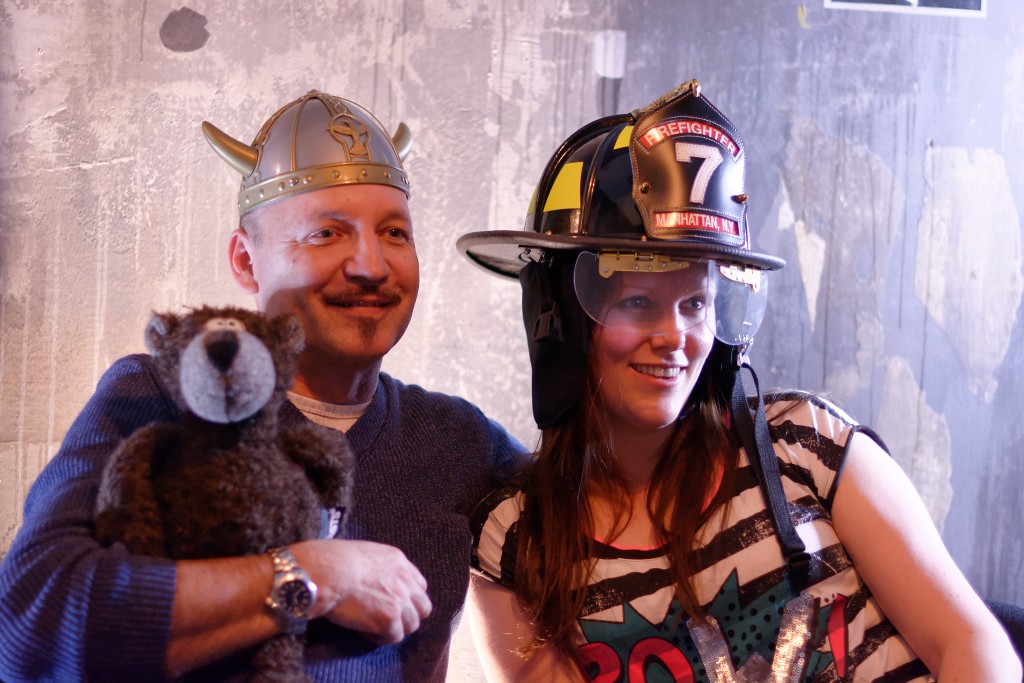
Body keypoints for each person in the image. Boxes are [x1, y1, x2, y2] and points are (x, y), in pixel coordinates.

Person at [456, 79, 1021, 681]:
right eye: (639, 301)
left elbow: (970, 646)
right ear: (560, 317)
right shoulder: (516, 541)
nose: (674, 336)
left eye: (695, 303)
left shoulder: (805, 444)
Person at [0, 90, 527, 681]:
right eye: (327, 233)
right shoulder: (159, 397)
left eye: (395, 233)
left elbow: (594, 517)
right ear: (246, 262)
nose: (372, 266)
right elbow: (27, 627)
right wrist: (313, 577)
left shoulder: (459, 440)